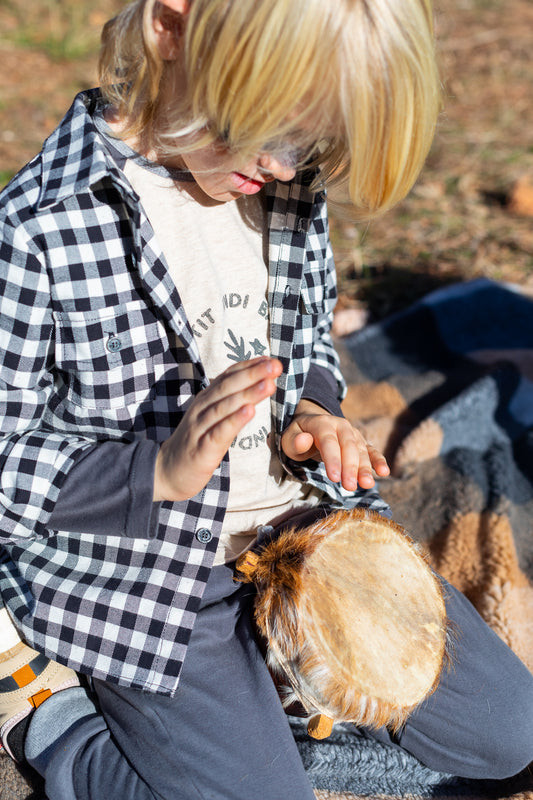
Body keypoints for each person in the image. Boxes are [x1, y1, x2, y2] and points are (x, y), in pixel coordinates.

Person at [0, 1, 532, 798]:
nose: (285, 166)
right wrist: (157, 473)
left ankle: (273, 684)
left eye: (310, 142)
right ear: (172, 30)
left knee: (509, 735)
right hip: (149, 583)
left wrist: (315, 412)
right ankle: (52, 717)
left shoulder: (283, 191)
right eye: (267, 132)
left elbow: (307, 340)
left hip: (302, 531)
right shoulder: (38, 230)